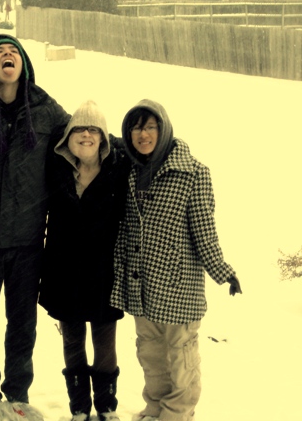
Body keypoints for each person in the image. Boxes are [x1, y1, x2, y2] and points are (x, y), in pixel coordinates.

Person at [110, 99, 242, 421]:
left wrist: (223, 271)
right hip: (141, 286)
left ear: (164, 129)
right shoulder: (130, 170)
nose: (142, 134)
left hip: (178, 287)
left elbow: (204, 231)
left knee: (182, 359)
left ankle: (178, 414)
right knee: (150, 354)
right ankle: (155, 407)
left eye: (149, 127)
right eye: (136, 128)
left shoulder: (193, 173)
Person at [0, 34, 69, 419]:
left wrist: (122, 148)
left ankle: (18, 392)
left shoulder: (45, 108)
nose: (8, 55)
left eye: (14, 51)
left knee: (22, 322)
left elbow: (82, 135)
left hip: (27, 240)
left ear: (24, 63)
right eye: (0, 53)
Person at [39, 100, 129, 421]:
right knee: (72, 340)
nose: (86, 135)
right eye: (79, 129)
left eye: (94, 129)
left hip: (104, 273)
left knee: (105, 342)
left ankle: (106, 406)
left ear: (103, 137)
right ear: (68, 137)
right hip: (64, 271)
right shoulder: (56, 167)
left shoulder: (119, 169)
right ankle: (79, 407)